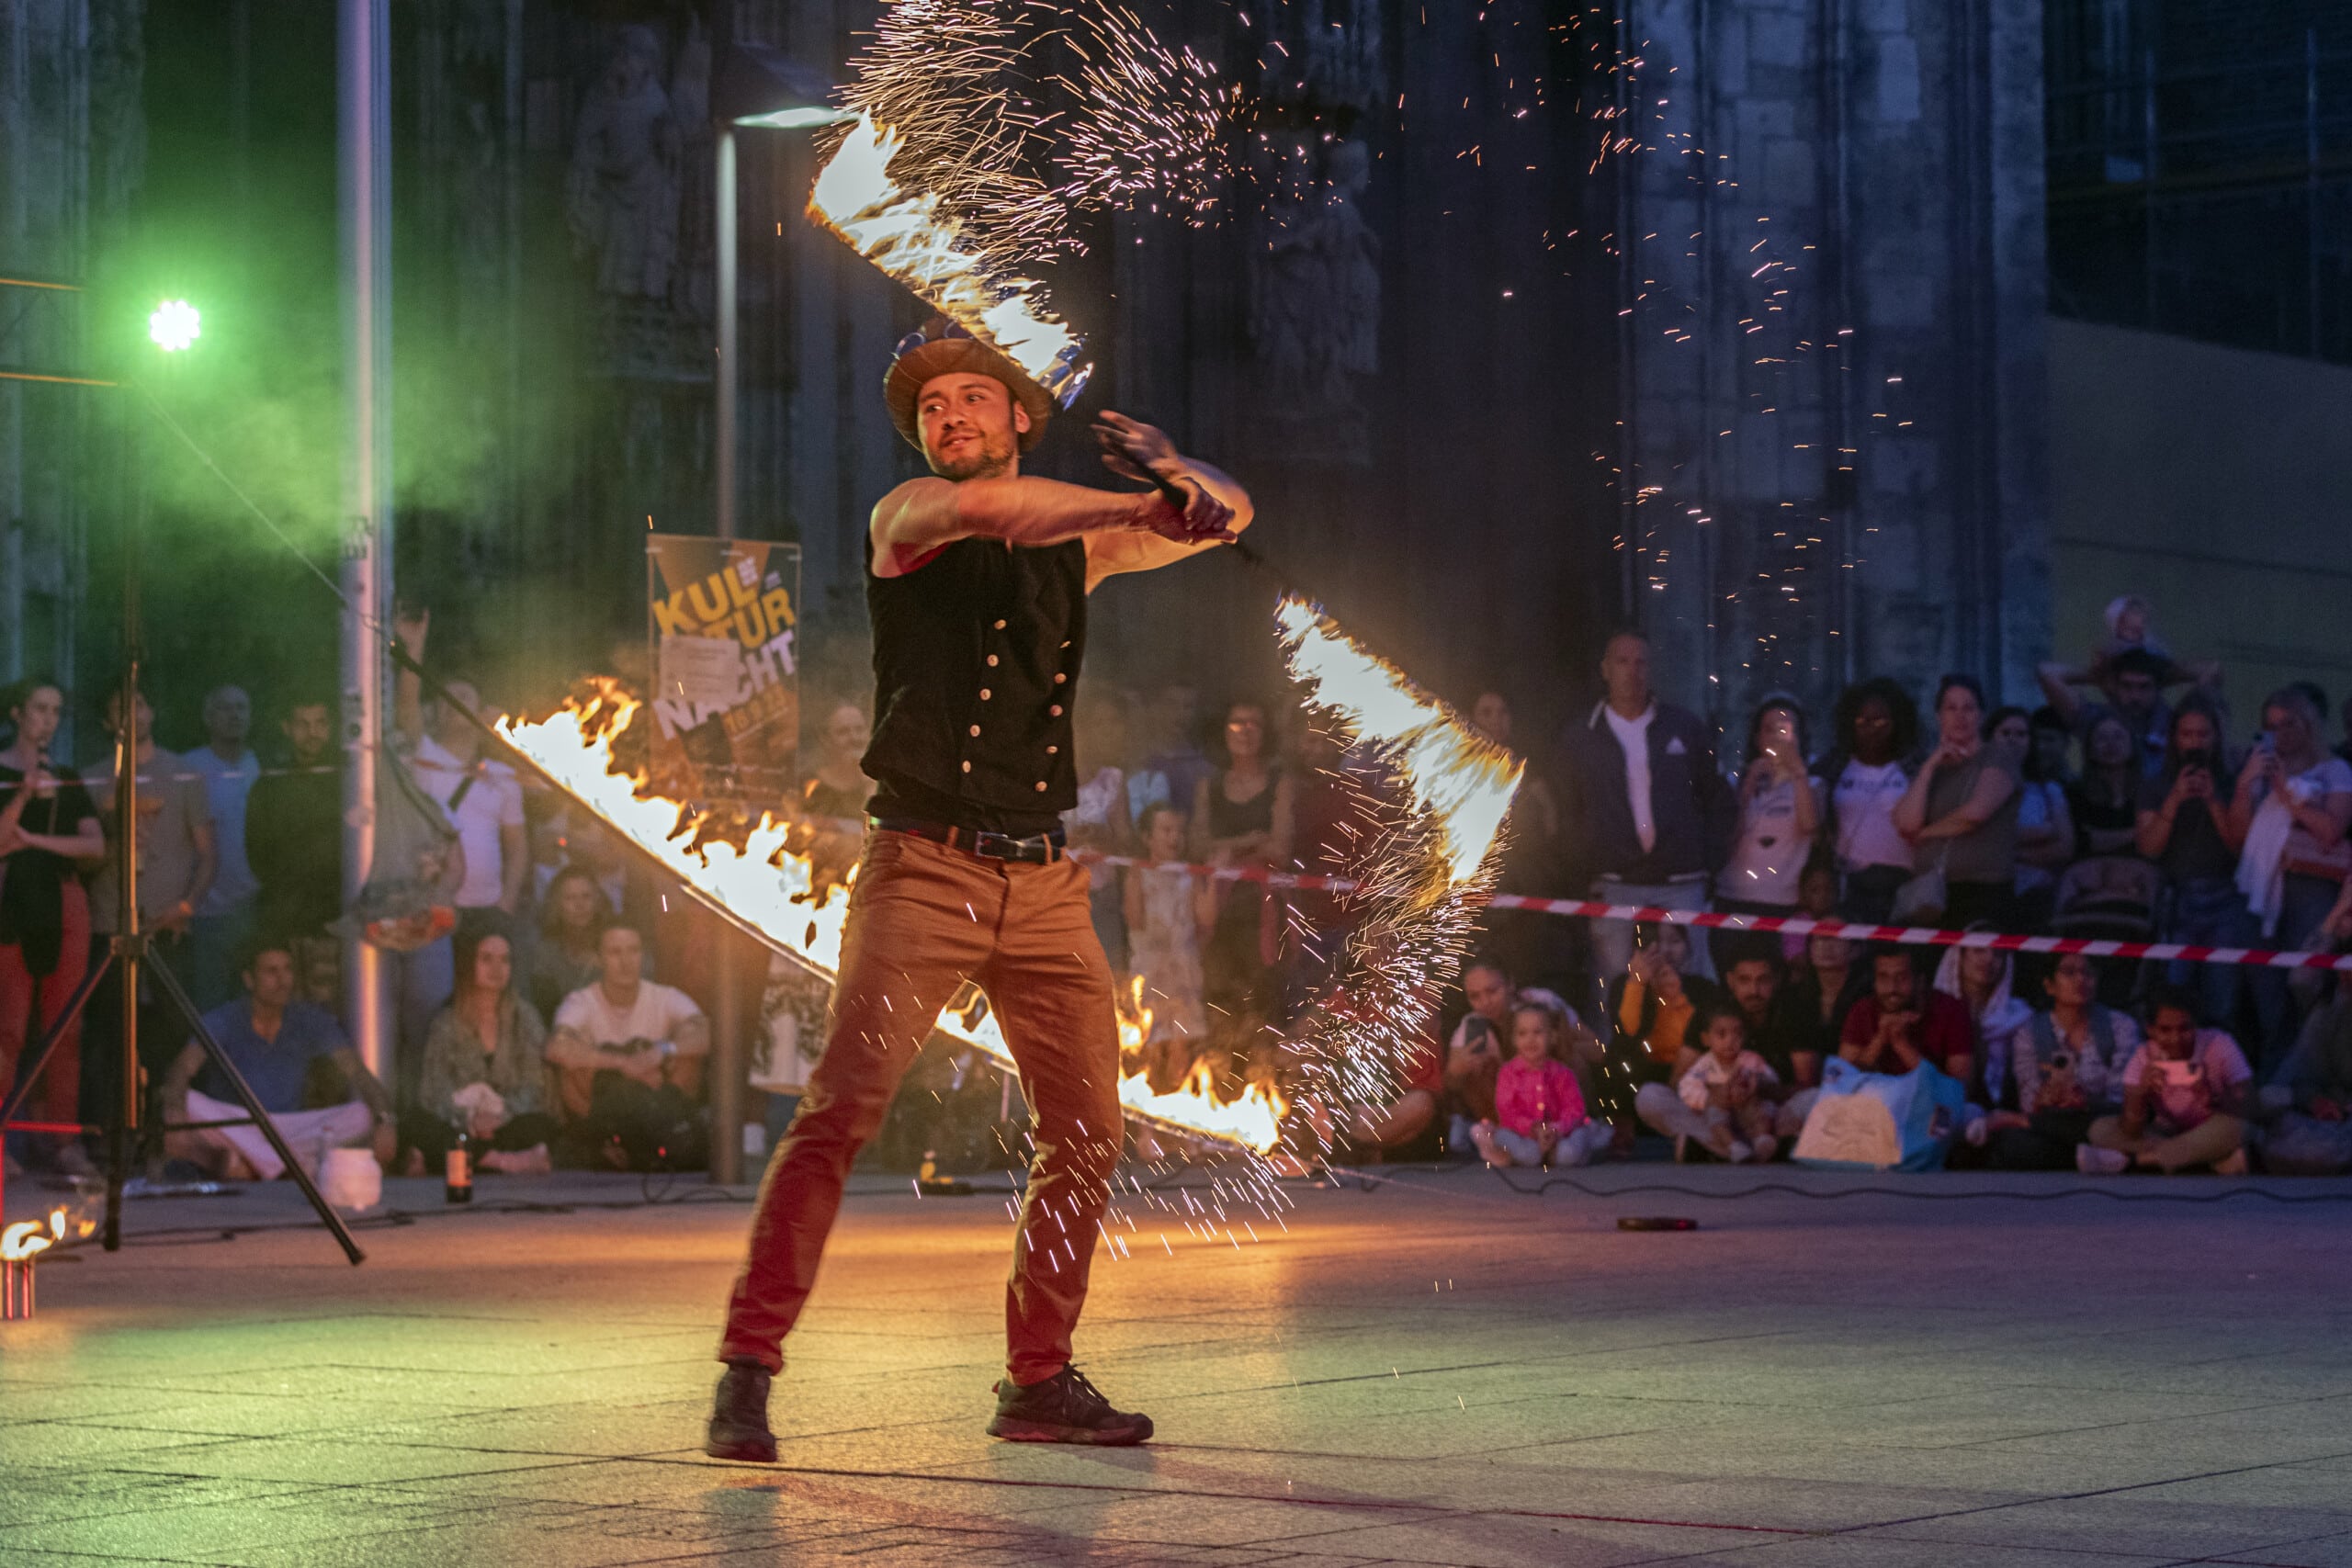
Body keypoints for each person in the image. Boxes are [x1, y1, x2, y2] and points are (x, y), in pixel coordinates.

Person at [708, 315, 1252, 1459]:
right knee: (841, 1114)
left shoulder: (1079, 544)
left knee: (1089, 1131)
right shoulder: (906, 518)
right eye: (929, 411)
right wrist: (1135, 505)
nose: (945, 419)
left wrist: (1175, 475)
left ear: (1018, 416)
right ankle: (747, 1368)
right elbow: (998, 512)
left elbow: (1234, 516)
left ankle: (1037, 1382)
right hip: (923, 868)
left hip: (1044, 881)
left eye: (967, 401)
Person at [1555, 629, 1732, 997]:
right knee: (1614, 983)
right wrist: (1584, 862)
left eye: (1641, 662)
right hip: (1615, 880)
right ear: (1605, 669)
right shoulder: (1580, 737)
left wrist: (1709, 857)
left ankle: (1699, 1051)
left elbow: (1715, 796)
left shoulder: (1685, 727)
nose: (1631, 671)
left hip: (1682, 879)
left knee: (1694, 978)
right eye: (1622, 661)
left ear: (1652, 670)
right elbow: (1567, 809)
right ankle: (1613, 1054)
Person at [392, 609, 529, 1063]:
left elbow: (518, 847)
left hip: (488, 911)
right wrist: (414, 647)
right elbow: (407, 709)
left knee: (491, 1007)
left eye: (466, 697)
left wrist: (507, 903)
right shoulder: (424, 757)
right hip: (434, 907)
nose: (457, 706)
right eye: (448, 699)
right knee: (433, 1007)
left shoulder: (504, 774)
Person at [159, 940, 395, 1181]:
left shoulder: (308, 1018)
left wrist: (385, 1120)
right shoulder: (225, 1018)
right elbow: (181, 1069)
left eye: (287, 969)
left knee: (363, 1113)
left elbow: (357, 1073)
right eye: (272, 972)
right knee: (188, 1103)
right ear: (249, 980)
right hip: (239, 1124)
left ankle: (255, 1164)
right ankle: (295, 1167)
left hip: (293, 1128)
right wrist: (175, 1112)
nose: (283, 980)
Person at [0, 679, 106, 1175]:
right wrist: (22, 798)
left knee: (65, 1026)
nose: (48, 721)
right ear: (18, 713)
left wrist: (33, 840)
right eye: (40, 710)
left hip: (64, 901)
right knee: (9, 1028)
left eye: (57, 712)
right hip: (15, 900)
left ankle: (58, 1139)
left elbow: (94, 847)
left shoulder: (67, 778)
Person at [2228, 686, 2352, 1073]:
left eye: (2289, 723)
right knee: (2266, 994)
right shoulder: (2260, 769)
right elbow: (2238, 839)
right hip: (2261, 889)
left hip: (2311, 889)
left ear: (2310, 725)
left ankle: (2305, 1077)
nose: (2280, 732)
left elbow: (2331, 830)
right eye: (2271, 725)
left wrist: (2285, 791)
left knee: (2303, 985)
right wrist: (2245, 784)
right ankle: (2271, 1079)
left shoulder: (2335, 770)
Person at [548, 920, 708, 1169]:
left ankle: (673, 1141)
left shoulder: (663, 996)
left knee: (687, 1053)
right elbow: (556, 1047)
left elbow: (706, 1033)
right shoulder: (581, 1000)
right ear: (599, 958)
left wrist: (663, 1051)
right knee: (571, 1064)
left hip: (659, 1107)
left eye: (633, 951)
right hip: (604, 1108)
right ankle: (601, 1144)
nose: (626, 961)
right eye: (615, 952)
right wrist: (625, 1064)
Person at [1192, 699, 1294, 1089]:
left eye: (1255, 723)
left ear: (1265, 733)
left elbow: (1281, 848)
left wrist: (1226, 849)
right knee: (1218, 1004)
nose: (1246, 730)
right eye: (1238, 722)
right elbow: (1197, 845)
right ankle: (1216, 1097)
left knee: (1262, 1007)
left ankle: (1263, 1097)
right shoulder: (1209, 786)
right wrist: (1249, 840)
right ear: (1224, 730)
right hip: (1216, 913)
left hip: (1262, 913)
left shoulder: (1278, 783)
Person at [2136, 695, 2249, 1031]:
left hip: (2225, 897)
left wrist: (2214, 801)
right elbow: (2149, 848)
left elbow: (2238, 849)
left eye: (2203, 734)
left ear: (2216, 736)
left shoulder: (2233, 783)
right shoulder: (2156, 784)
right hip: (2178, 899)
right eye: (2187, 734)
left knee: (2222, 995)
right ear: (2174, 738)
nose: (2195, 742)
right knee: (2173, 993)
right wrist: (2174, 800)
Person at [410, 921, 558, 1175]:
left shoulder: (525, 1017)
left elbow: (536, 1086)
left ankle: (458, 1160)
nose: (496, 969)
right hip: (461, 1124)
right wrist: (468, 1118)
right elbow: (433, 1092)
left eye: (504, 960)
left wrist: (502, 1116)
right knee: (419, 1125)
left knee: (539, 1126)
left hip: (507, 1123)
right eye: (486, 959)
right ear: (469, 964)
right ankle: (504, 1162)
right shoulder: (446, 1021)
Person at [1983, 953, 2139, 1169]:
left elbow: (2121, 1099)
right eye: (2068, 972)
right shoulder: (2029, 1033)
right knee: (2015, 1144)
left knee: (2119, 1127)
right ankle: (2099, 1157)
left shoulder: (2121, 1026)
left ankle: (2095, 1154)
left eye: (2088, 973)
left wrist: (2082, 1099)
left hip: (2103, 1120)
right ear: (2049, 986)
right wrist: (2048, 1096)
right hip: (2051, 1124)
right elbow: (2029, 1102)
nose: (2080, 980)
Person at [1894, 675, 2019, 931]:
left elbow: (1976, 813)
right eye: (1951, 708)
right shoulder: (1934, 767)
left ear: (1981, 715)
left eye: (1969, 708)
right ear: (1939, 716)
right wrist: (1929, 768)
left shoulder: (1998, 756)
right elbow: (1906, 823)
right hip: (1930, 892)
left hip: (1982, 891)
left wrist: (1927, 833)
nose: (1960, 716)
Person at [2080, 988, 2252, 1174]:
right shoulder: (2143, 1057)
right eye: (2165, 1030)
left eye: (2185, 1029)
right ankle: (2211, 1159)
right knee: (2099, 1129)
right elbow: (2130, 1130)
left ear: (2196, 1025)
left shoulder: (2219, 1044)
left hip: (2212, 1126)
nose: (2175, 1039)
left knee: (2239, 1128)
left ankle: (2135, 1161)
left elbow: (2250, 1105)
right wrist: (2140, 1094)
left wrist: (2213, 1098)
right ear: (2150, 1029)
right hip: (2168, 1132)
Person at [1597, 923, 1724, 1143]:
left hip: (1689, 1072)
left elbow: (1706, 1038)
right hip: (1644, 1071)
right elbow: (1627, 1030)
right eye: (1653, 943)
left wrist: (1676, 998)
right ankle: (1622, 1130)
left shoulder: (1703, 988)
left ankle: (1706, 1136)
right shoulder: (1623, 984)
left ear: (1688, 948)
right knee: (1617, 1055)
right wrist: (1637, 983)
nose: (1664, 951)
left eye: (1674, 942)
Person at [182, 685, 262, 1010]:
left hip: (254, 909)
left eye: (242, 708)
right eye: (226, 708)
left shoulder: (262, 766)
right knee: (209, 1011)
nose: (235, 715)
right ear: (208, 717)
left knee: (252, 1008)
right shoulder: (189, 767)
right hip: (204, 912)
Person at [1124, 802, 1212, 1090]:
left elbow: (1205, 920)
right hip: (1152, 966)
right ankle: (1146, 1109)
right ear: (1148, 837)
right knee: (1150, 1036)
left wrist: (1213, 879)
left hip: (1184, 966)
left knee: (1180, 1043)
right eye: (1166, 830)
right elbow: (1134, 921)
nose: (1174, 838)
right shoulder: (1138, 873)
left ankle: (1181, 1098)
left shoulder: (1191, 875)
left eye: (1179, 831)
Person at [246, 694, 345, 953]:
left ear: (330, 726)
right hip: (285, 917)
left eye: (321, 723)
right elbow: (256, 853)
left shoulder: (350, 781)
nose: (313, 733)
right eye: (303, 724)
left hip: (339, 915)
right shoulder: (269, 785)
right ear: (287, 728)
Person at [1819, 677, 1920, 923]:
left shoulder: (1913, 767)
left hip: (1905, 881)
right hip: (1850, 882)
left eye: (1881, 720)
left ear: (1897, 722)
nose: (1871, 728)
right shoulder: (1835, 765)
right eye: (1862, 721)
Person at [1469, 999, 1611, 1168]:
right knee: (1527, 1154)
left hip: (1559, 1135)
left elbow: (1575, 1109)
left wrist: (1555, 1129)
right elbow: (1507, 1111)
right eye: (1522, 1033)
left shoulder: (1562, 1073)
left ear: (1552, 1037)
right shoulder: (1508, 1073)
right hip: (1523, 1136)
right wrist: (1534, 1129)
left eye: (1537, 1032)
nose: (1530, 1039)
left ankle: (1588, 1139)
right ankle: (1501, 1151)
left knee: (1567, 1155)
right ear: (1514, 1039)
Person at [1635, 1001, 1781, 1163]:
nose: (1730, 1041)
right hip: (1718, 1116)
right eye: (1721, 1035)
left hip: (1749, 1115)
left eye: (1737, 1034)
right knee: (1652, 1097)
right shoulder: (1704, 1065)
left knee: (1765, 1110)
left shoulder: (1749, 1060)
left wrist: (1755, 1087)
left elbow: (1771, 1081)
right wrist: (1709, 1099)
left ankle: (1761, 1141)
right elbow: (1687, 1087)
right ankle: (1733, 1148)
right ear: (1706, 1039)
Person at [1065, 692, 1134, 974]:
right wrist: (1067, 839)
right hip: (1058, 892)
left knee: (1105, 974)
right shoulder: (1051, 783)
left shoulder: (1112, 780)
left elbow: (1126, 842)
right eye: (1096, 723)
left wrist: (1099, 835)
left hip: (1101, 895)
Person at [2038, 646, 2177, 779]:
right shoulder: (2095, 719)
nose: (2135, 696)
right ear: (2114, 686)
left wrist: (2165, 675)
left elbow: (2199, 673)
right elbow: (2047, 673)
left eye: (2144, 687)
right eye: (2126, 686)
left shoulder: (2175, 723)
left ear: (2158, 688)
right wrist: (2101, 678)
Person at [1839, 946, 1974, 1082]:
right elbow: (1841, 1082)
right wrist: (1879, 1040)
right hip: (1875, 1100)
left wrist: (1902, 1044)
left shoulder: (1952, 1010)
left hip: (1929, 1102)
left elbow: (1957, 1091)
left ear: (1920, 981)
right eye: (1883, 978)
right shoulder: (1862, 1010)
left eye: (1902, 978)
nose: (1892, 988)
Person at [2258, 991, 2352, 1175]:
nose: (2346, 974)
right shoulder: (2327, 1016)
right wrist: (2314, 1101)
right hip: (2332, 1116)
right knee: (2269, 1097)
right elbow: (2294, 1078)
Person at [1932, 940, 2030, 1108]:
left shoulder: (2019, 1016)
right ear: (1959, 956)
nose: (1989, 959)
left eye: (1998, 953)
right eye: (1978, 950)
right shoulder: (1933, 1011)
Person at [2006, 705, 2075, 929]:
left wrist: (2008, 852)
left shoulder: (2063, 789)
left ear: (2066, 743)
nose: (2041, 747)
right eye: (2037, 740)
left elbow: (2064, 848)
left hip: (2045, 891)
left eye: (2049, 740)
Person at [1442, 960, 1518, 1153]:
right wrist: (1456, 1071)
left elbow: (1593, 1050)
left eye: (1492, 991)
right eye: (1475, 996)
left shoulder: (1540, 1004)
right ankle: (1498, 1134)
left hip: (1546, 1090)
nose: (1485, 1002)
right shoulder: (1471, 1028)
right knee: (1474, 1072)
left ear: (1510, 984)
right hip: (1500, 1108)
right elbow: (1451, 1083)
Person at [528, 863, 618, 1021]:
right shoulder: (546, 953)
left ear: (598, 901)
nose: (580, 905)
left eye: (586, 896)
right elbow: (546, 1013)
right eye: (570, 898)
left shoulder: (617, 946)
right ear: (557, 905)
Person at [2068, 711, 2143, 859]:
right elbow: (2078, 842)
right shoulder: (2074, 793)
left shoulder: (2149, 791)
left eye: (2118, 737)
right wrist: (2138, 834)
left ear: (2132, 745)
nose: (2111, 744)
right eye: (2102, 738)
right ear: (2090, 750)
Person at [799, 701, 876, 822]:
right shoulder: (811, 787)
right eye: (843, 732)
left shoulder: (878, 785)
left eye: (860, 729)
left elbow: (878, 830)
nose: (854, 738)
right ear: (826, 739)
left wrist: (869, 784)